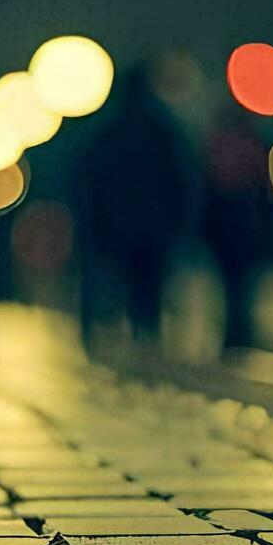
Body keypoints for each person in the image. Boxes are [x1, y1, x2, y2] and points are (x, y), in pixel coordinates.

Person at [76, 58, 195, 348]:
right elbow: (182, 180)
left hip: (114, 227)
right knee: (147, 287)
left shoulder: (106, 132)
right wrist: (178, 224)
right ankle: (146, 339)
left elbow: (88, 181)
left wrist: (91, 222)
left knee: (112, 283)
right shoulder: (162, 131)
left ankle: (102, 338)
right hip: (153, 229)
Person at [201, 102, 273, 349]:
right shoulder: (253, 144)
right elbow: (263, 187)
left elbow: (209, 186)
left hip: (225, 225)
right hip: (245, 223)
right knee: (242, 283)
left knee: (229, 282)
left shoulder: (218, 146)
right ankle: (241, 331)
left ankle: (233, 332)